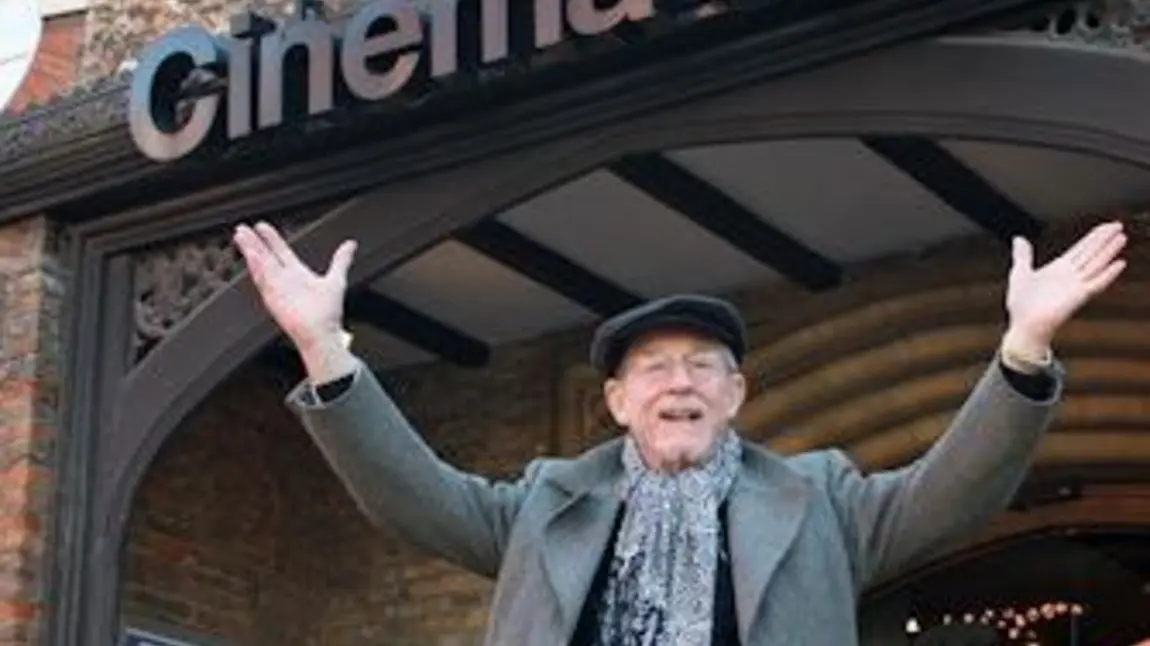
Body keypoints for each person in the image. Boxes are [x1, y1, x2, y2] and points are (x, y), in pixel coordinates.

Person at [232, 220, 1127, 646]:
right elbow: (413, 496)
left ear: (735, 394)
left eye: (703, 366)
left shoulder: (817, 499)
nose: (680, 382)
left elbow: (951, 492)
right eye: (655, 368)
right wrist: (323, 349)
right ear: (618, 403)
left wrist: (1023, 345)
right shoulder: (546, 503)